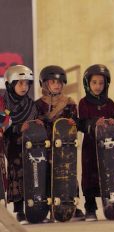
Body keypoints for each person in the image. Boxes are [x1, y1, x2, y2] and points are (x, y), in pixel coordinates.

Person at [35, 65, 85, 221]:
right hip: (45, 149)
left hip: (65, 149)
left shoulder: (69, 103)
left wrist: (73, 122)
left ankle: (71, 207)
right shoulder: (38, 105)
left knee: (68, 175)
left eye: (59, 82)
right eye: (52, 81)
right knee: (46, 176)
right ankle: (48, 207)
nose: (57, 85)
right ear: (45, 84)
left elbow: (76, 124)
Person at [78, 64, 114, 221]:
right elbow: (82, 123)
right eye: (94, 82)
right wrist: (95, 123)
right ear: (88, 83)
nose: (98, 86)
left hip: (108, 147)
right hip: (90, 147)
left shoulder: (110, 103)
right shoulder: (83, 103)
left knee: (108, 174)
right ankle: (90, 208)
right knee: (89, 175)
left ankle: (110, 205)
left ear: (106, 84)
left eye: (101, 83)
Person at [3, 65, 39, 224]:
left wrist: (39, 122)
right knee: (17, 175)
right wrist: (18, 127)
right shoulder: (3, 103)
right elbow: (2, 125)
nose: (24, 87)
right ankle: (19, 210)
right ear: (10, 85)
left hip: (30, 145)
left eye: (27, 83)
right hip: (13, 147)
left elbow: (36, 118)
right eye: (20, 83)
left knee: (33, 173)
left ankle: (33, 208)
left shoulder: (31, 104)